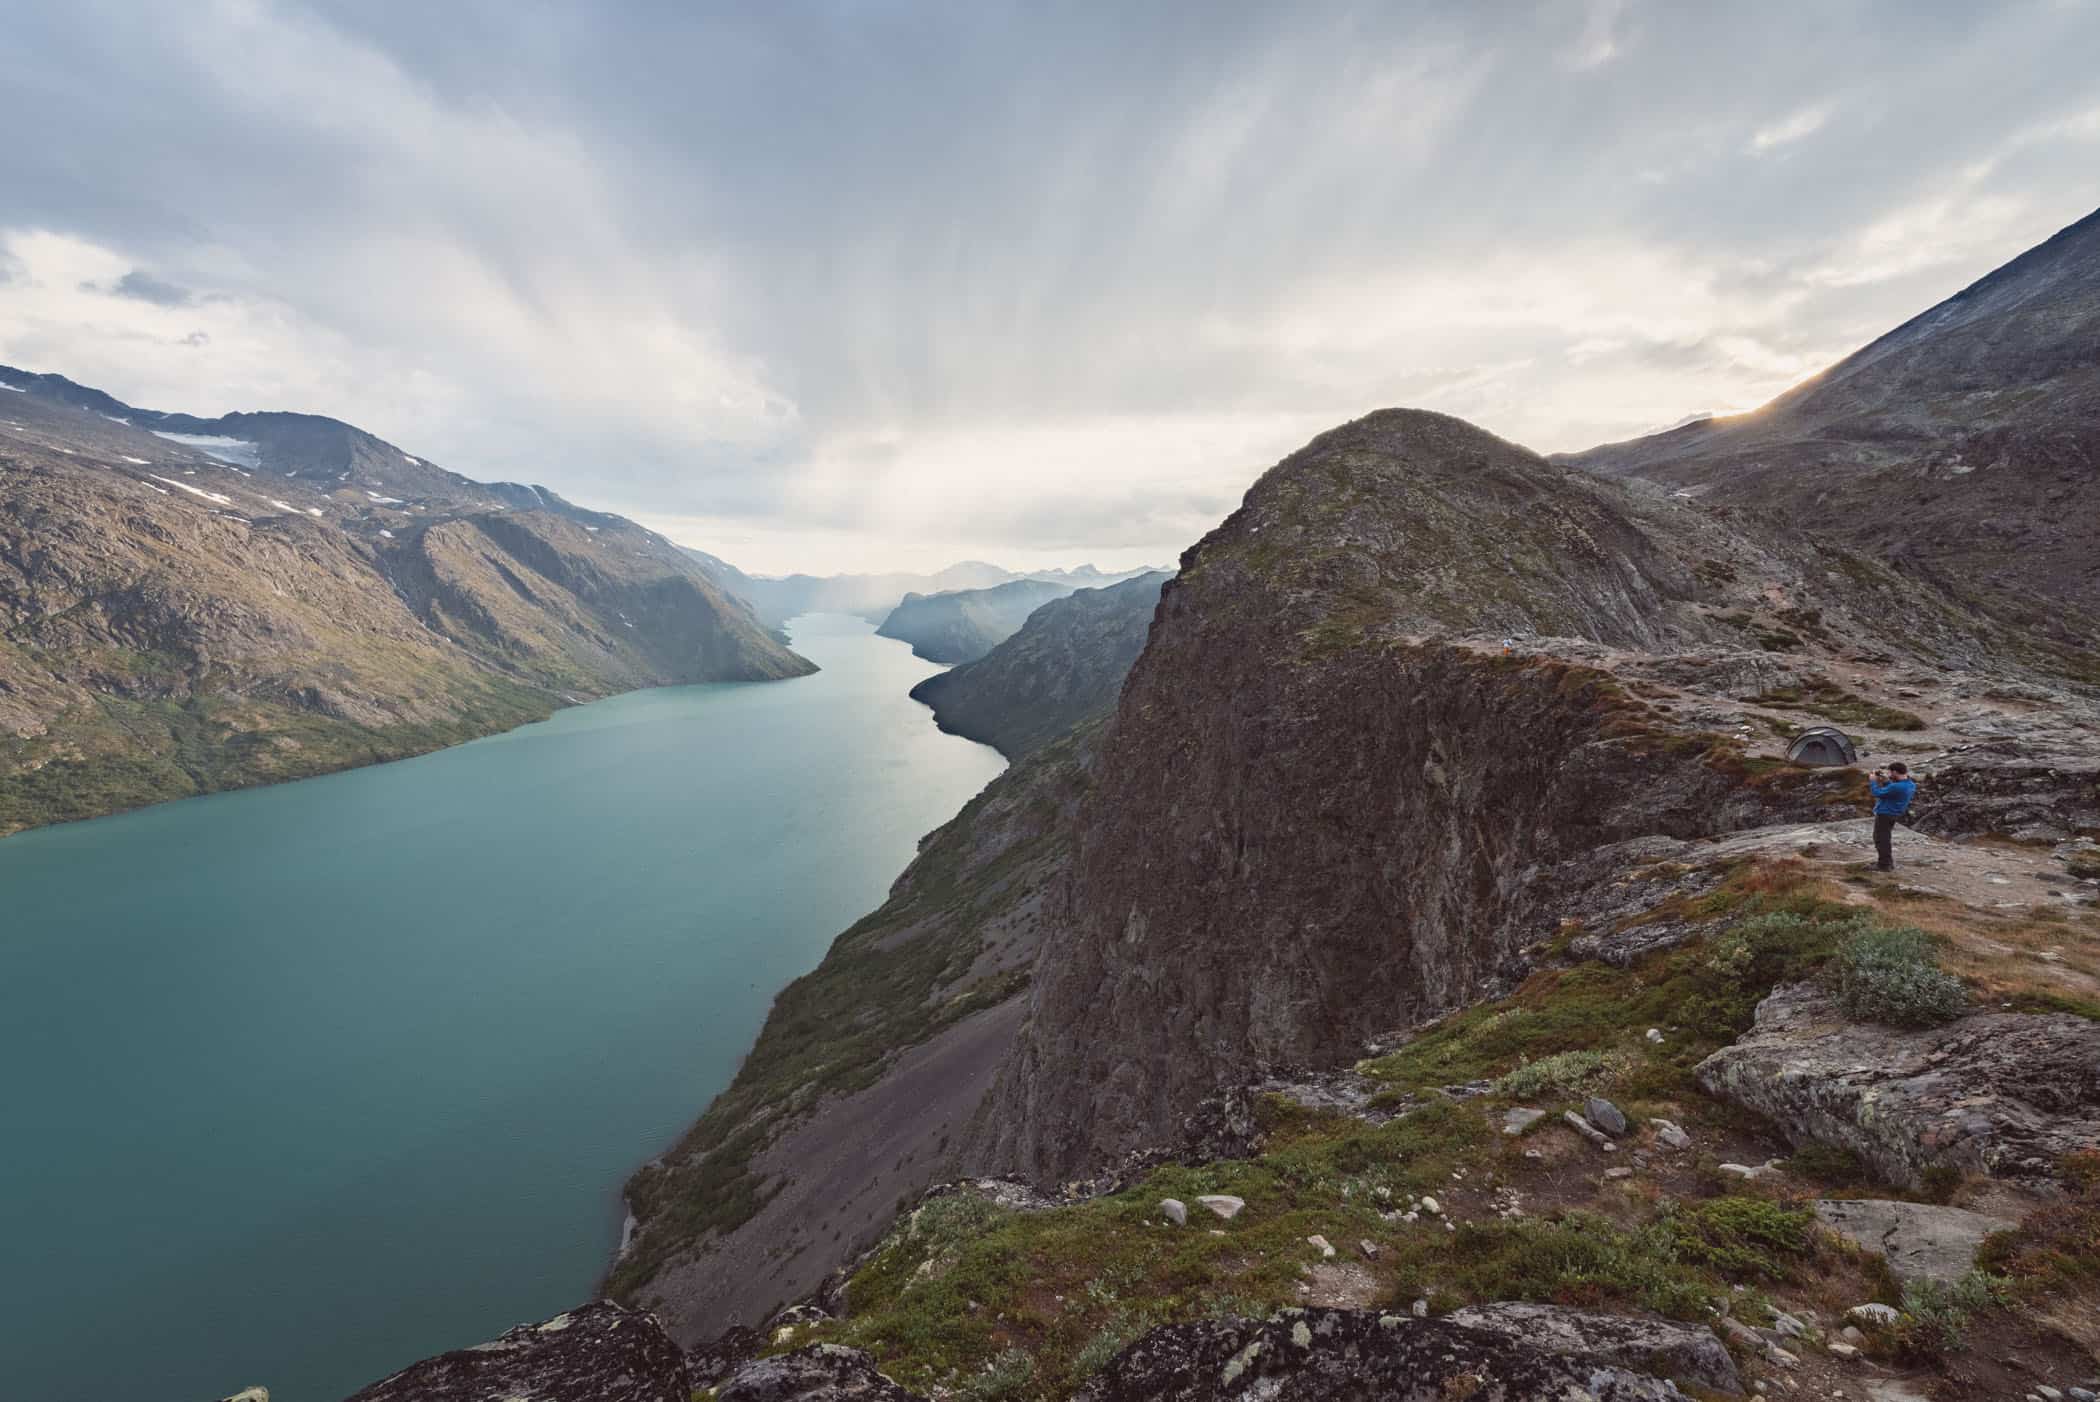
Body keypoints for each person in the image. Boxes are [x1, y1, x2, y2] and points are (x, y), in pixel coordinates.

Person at [1869, 762, 1917, 871]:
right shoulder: (1910, 784)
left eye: (1890, 772)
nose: (1889, 774)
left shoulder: (1897, 786)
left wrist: (1872, 781)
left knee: (1881, 839)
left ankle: (1884, 865)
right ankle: (1887, 862)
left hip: (1885, 814)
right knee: (1885, 838)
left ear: (1895, 772)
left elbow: (1877, 793)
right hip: (1894, 814)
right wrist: (1887, 781)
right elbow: (1894, 790)